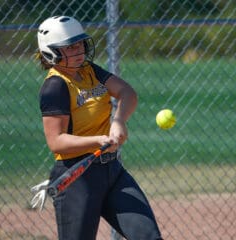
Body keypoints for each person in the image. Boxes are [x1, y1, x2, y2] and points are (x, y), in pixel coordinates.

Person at [32, 15, 163, 240]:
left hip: (112, 171)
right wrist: (97, 140)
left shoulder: (89, 70)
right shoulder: (55, 87)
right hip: (77, 176)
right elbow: (56, 141)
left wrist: (119, 120)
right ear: (51, 52)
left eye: (80, 43)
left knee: (148, 236)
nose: (79, 50)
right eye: (69, 47)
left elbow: (127, 92)